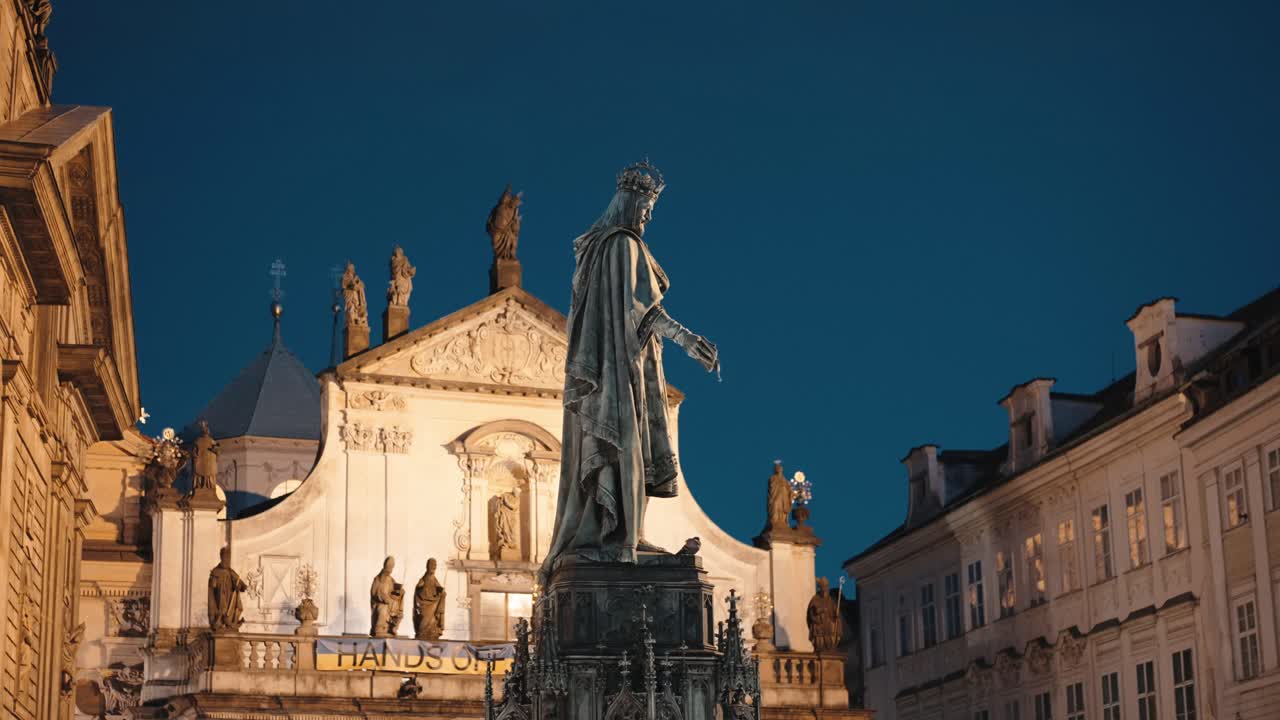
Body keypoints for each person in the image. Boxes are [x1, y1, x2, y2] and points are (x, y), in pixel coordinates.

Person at [540, 160, 718, 577]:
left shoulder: (600, 250)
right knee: (629, 447)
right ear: (628, 201)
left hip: (616, 364)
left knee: (626, 450)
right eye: (645, 206)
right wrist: (686, 339)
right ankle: (628, 540)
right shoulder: (623, 245)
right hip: (620, 371)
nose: (647, 216)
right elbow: (642, 309)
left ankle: (625, 535)